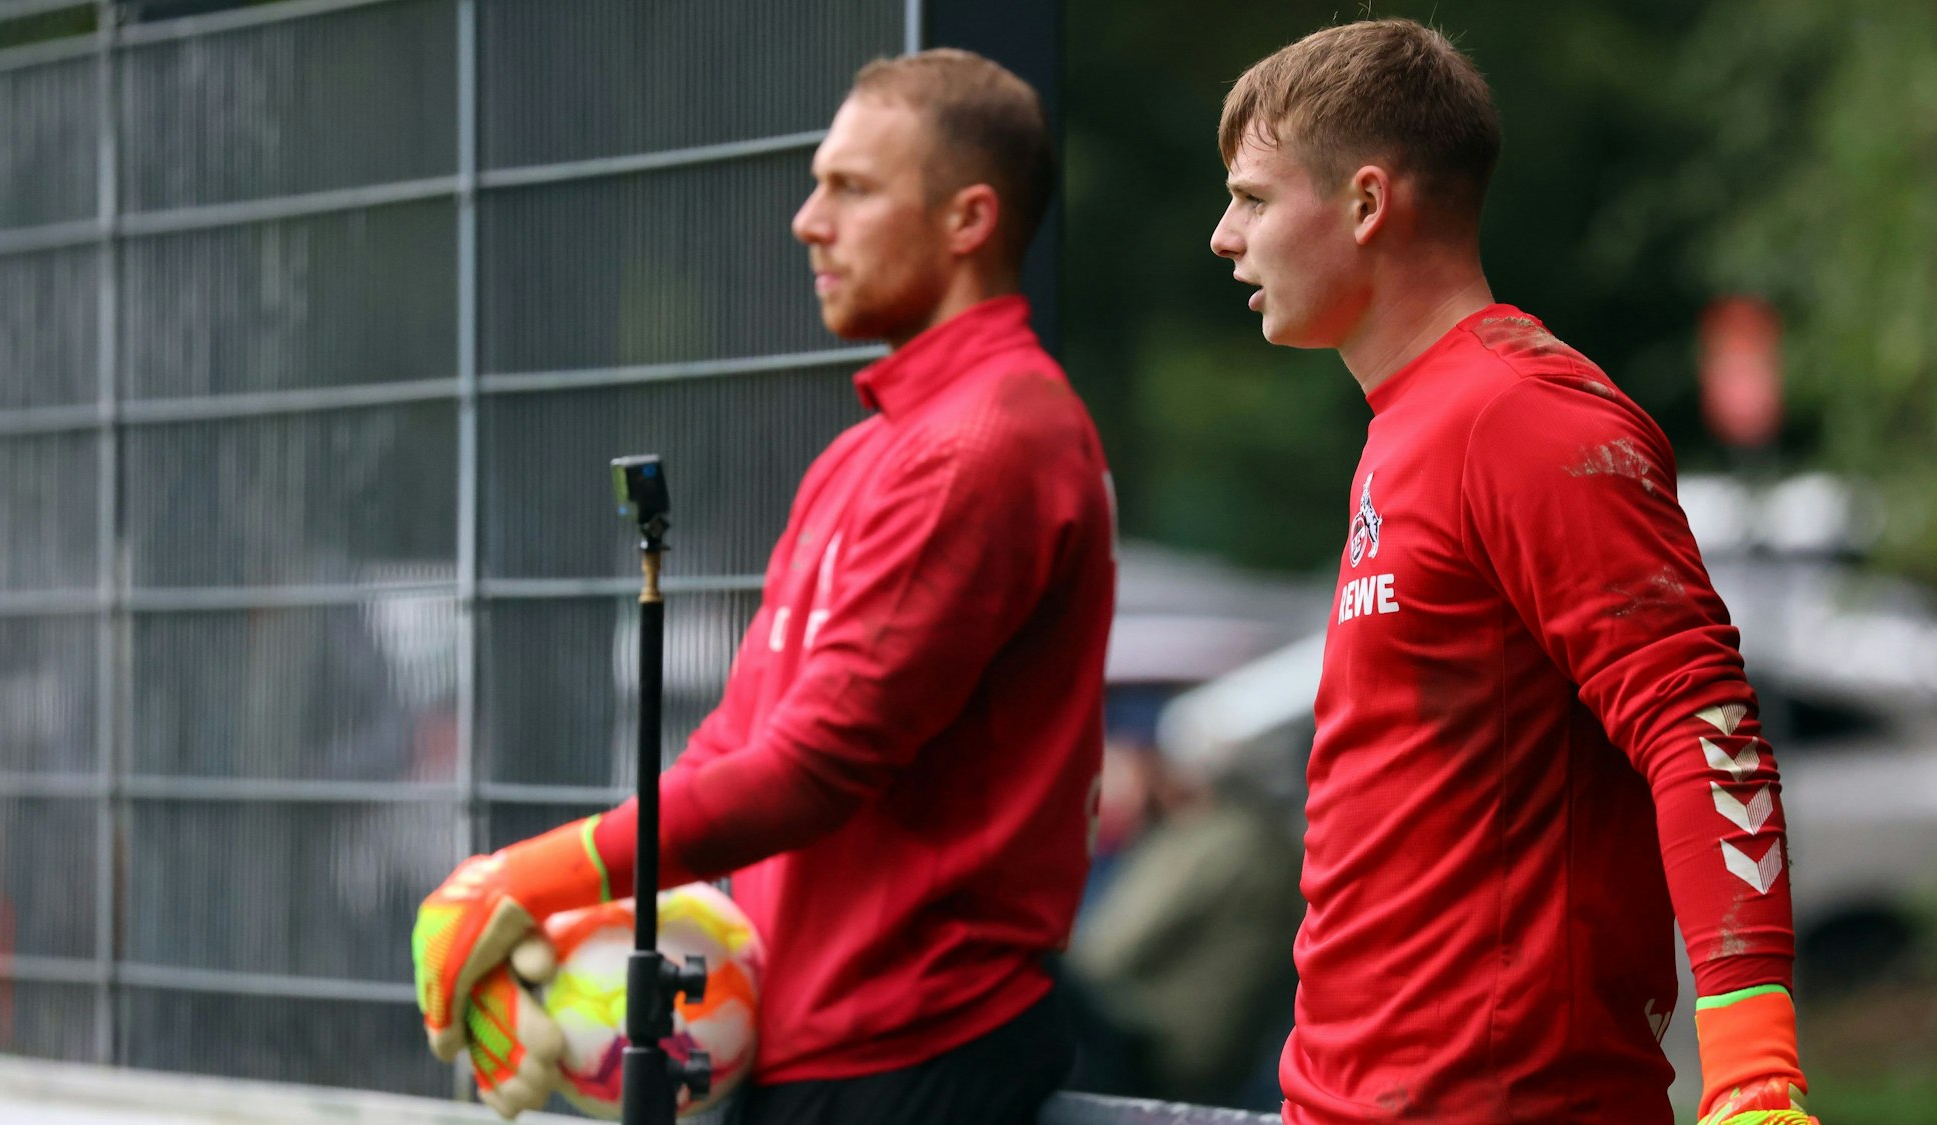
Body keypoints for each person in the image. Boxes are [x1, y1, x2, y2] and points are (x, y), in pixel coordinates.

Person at [412, 49, 1117, 1125]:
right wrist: (592, 926)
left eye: (850, 187)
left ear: (969, 219)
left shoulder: (986, 441)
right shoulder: (868, 452)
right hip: (817, 1052)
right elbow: (733, 745)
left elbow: (810, 771)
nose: (806, 220)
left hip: (911, 1057)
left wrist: (523, 879)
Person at [1208, 19, 1817, 1125]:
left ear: (1362, 203)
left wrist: (1752, 1074)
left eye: (1251, 198)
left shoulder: (1519, 415)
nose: (1221, 236)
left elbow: (1699, 724)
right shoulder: (1411, 422)